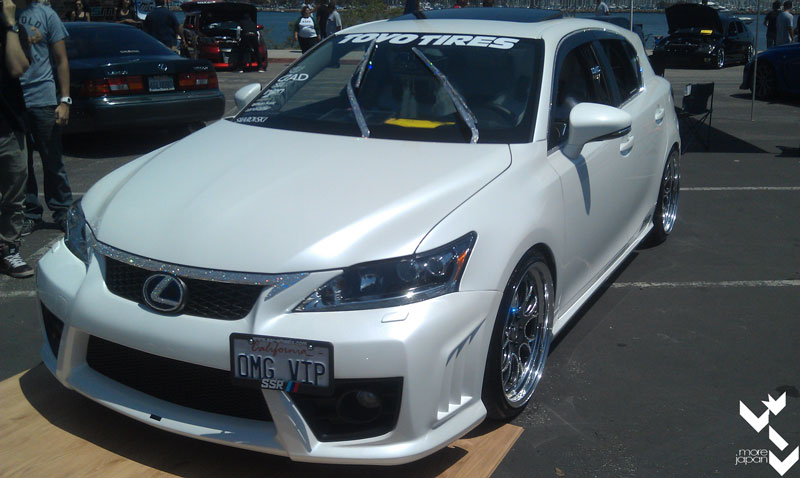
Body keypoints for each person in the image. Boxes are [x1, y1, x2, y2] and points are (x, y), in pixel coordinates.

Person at [16, 0, 73, 235]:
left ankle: (62, 211)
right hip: (12, 101)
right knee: (20, 165)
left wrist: (65, 100)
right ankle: (30, 213)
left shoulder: (47, 15)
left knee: (52, 161)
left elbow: (61, 60)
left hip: (43, 98)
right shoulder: (4, 14)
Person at [1, 0, 33, 278]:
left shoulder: (13, 30)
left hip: (9, 125)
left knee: (13, 195)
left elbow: (18, 67)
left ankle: (8, 249)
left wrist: (10, 25)